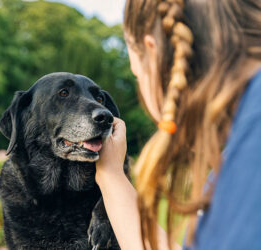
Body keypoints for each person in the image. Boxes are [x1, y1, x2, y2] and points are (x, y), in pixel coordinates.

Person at [95, 0, 261, 249]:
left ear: (153, 51)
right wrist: (111, 175)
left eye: (137, 74)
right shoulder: (239, 148)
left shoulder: (251, 151)